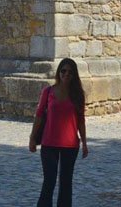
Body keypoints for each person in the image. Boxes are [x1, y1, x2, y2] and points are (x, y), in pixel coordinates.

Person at [29, 58, 88, 207]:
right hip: (49, 143)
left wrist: (84, 143)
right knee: (49, 181)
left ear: (74, 75)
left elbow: (81, 120)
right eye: (63, 71)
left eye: (70, 72)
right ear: (59, 72)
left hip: (70, 145)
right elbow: (39, 115)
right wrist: (32, 138)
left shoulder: (78, 95)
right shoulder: (48, 92)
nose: (66, 74)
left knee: (66, 183)